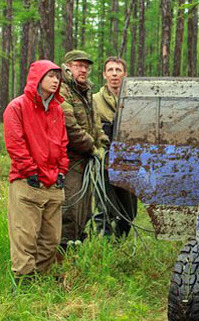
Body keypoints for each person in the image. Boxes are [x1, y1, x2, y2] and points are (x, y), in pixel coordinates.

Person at [3, 60, 68, 277]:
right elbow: (15, 143)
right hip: (27, 182)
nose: (55, 80)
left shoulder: (58, 111)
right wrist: (30, 171)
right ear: (37, 78)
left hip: (53, 184)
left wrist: (61, 171)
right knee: (25, 238)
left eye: (57, 76)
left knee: (51, 240)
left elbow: (63, 144)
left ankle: (39, 281)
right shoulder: (17, 107)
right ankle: (23, 286)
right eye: (50, 75)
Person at [60, 50, 110, 247]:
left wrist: (103, 142)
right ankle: (62, 250)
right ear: (67, 67)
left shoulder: (86, 91)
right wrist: (91, 147)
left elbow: (95, 122)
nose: (83, 70)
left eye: (86, 66)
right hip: (70, 161)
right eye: (78, 65)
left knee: (84, 209)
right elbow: (69, 127)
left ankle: (77, 245)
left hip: (85, 161)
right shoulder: (63, 91)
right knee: (70, 207)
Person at [93, 56, 138, 237]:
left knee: (129, 210)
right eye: (110, 70)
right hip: (104, 161)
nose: (114, 74)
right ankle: (105, 245)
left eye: (118, 70)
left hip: (128, 162)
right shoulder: (94, 100)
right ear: (104, 74)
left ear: (125, 74)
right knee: (103, 207)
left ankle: (120, 242)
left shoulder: (135, 100)